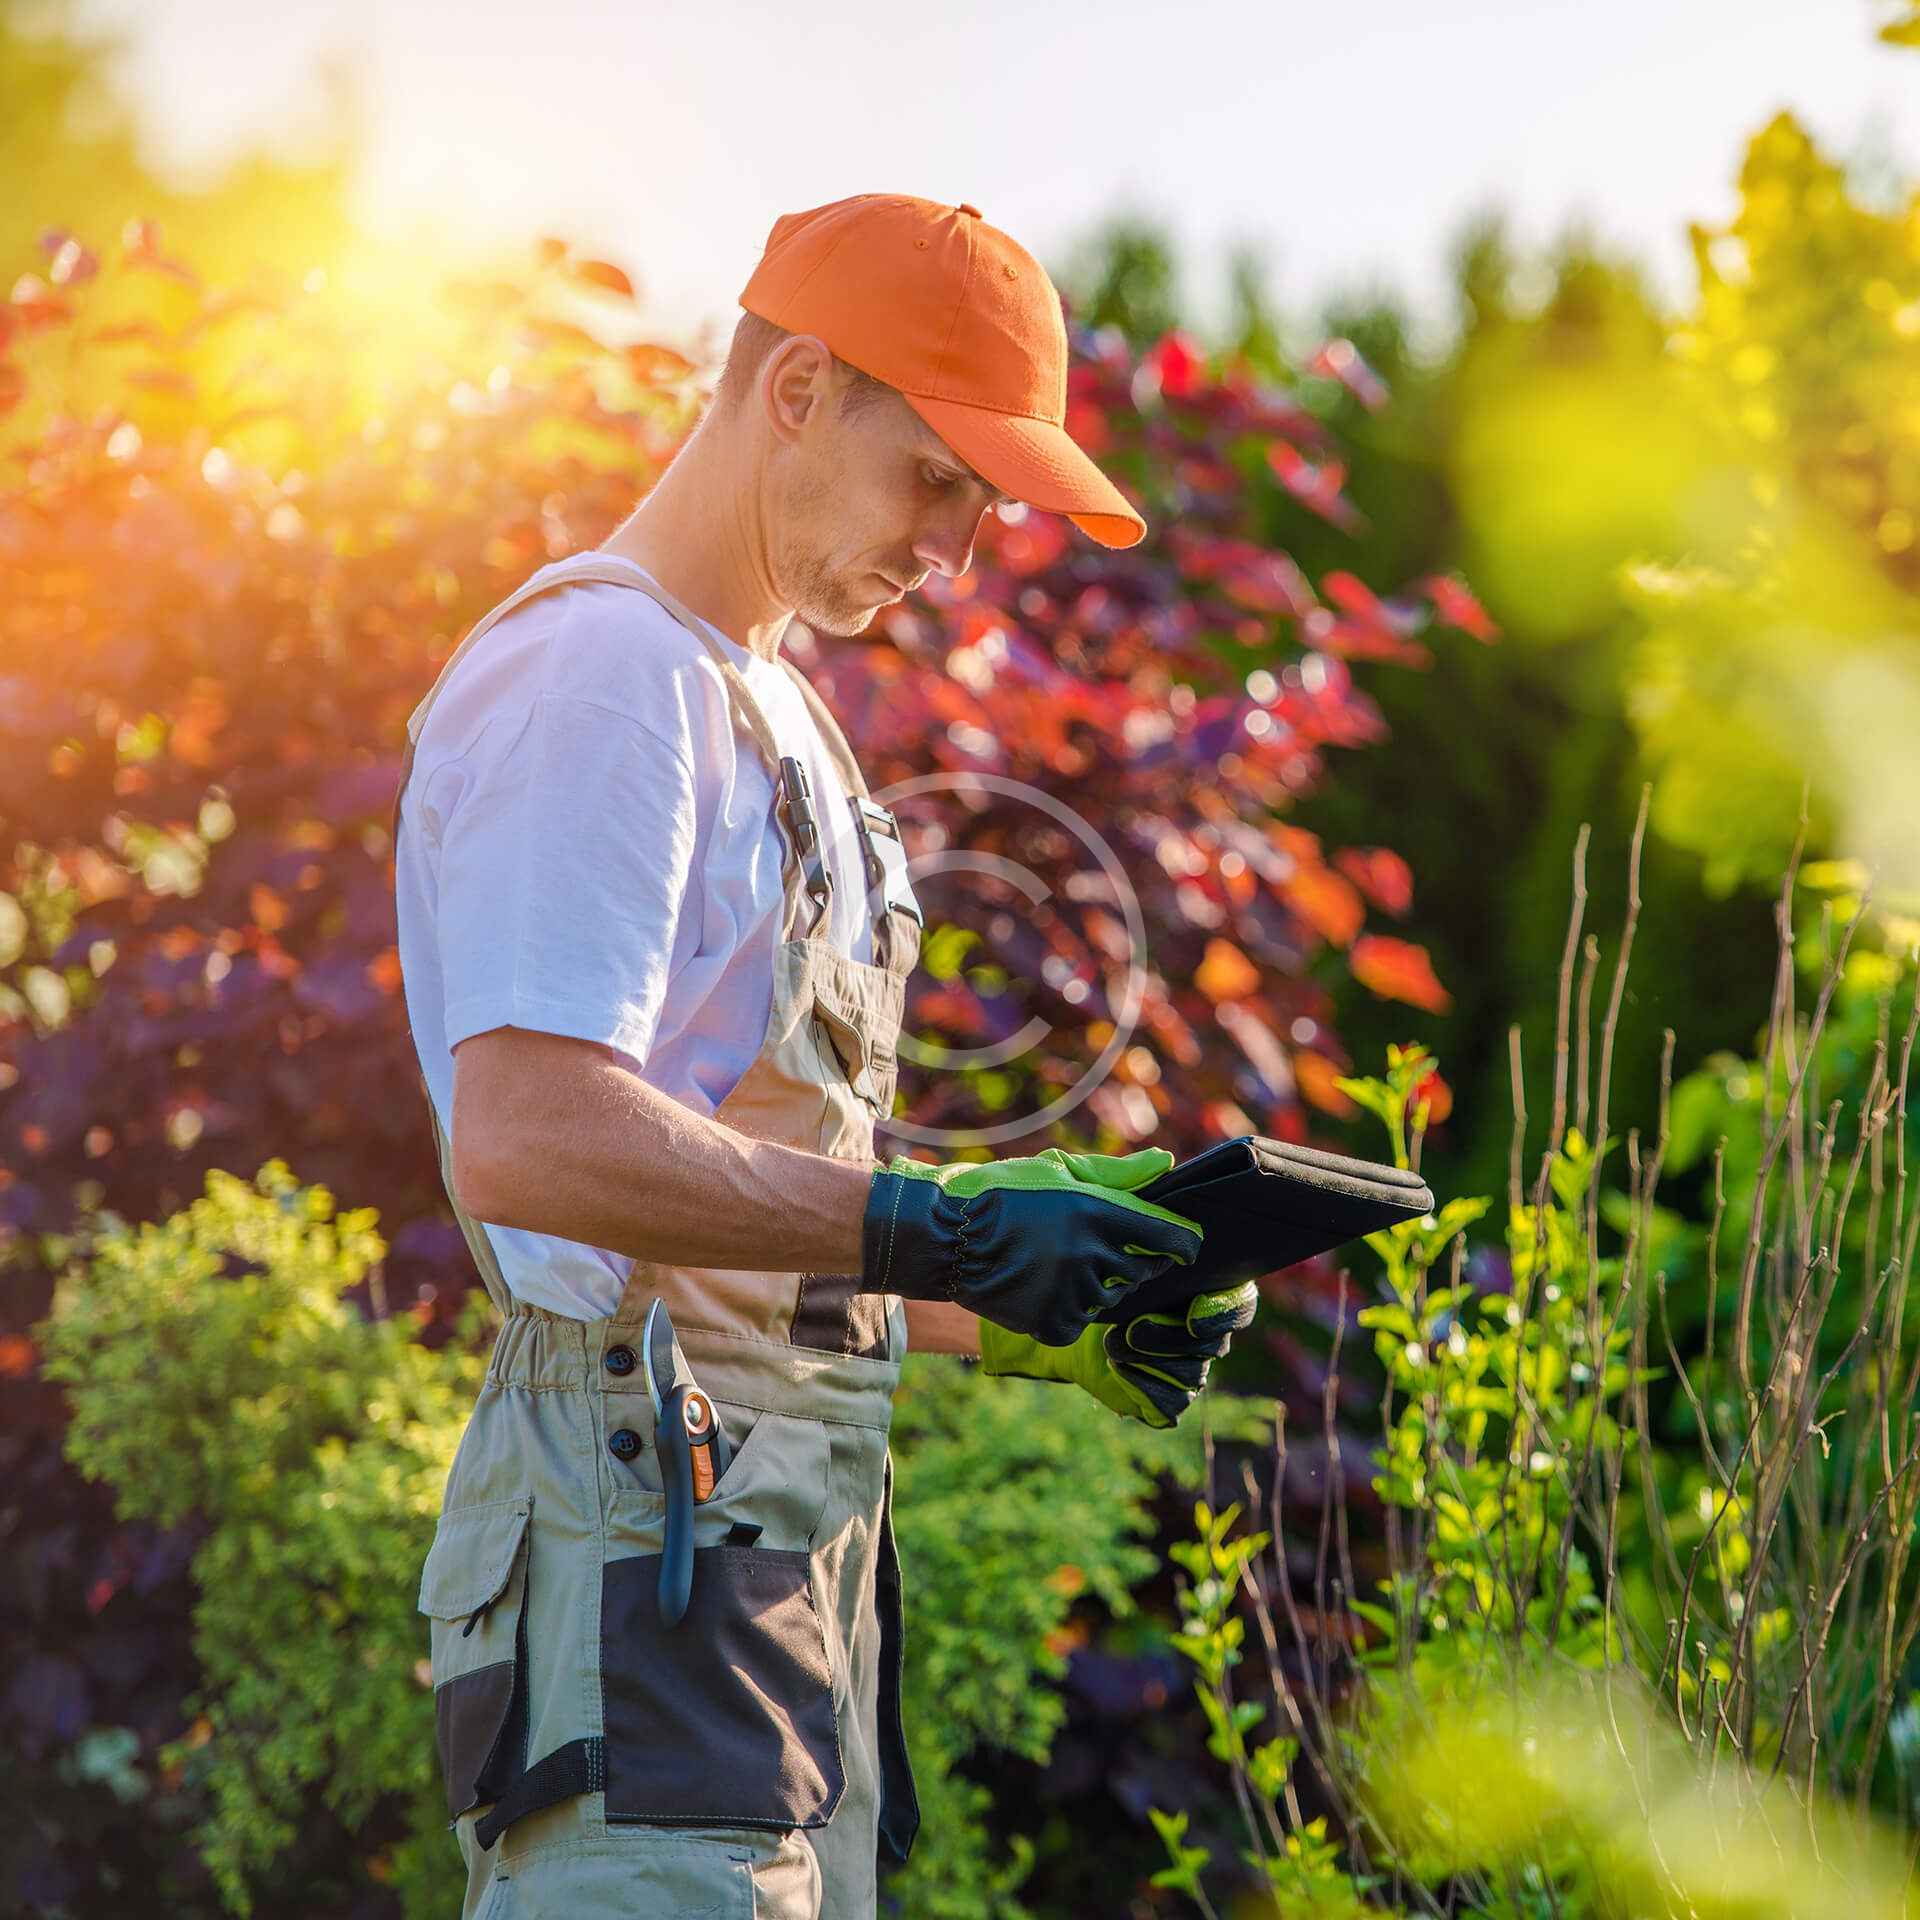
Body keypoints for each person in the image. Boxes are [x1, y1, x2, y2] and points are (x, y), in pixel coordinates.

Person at [391, 191, 1257, 1920]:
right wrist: (933, 1224)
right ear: (795, 389)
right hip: (642, 1567)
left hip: (775, 1595)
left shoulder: (771, 708)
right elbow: (530, 1134)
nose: (955, 546)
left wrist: (1023, 1291)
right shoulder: (604, 676)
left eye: (984, 503)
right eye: (935, 475)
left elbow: (765, 1215)